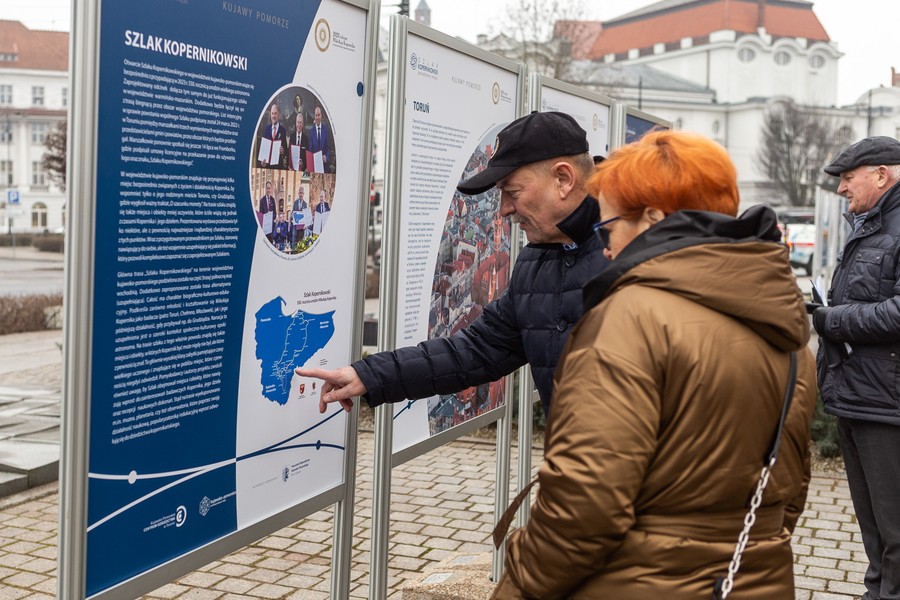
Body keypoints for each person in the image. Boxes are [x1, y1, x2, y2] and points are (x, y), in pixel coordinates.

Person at [492, 130, 817, 599]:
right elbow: (791, 489)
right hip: (755, 578)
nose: (604, 248)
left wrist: (518, 587)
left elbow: (585, 508)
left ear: (653, 218)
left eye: (609, 228)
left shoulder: (629, 319)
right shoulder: (784, 328)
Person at [296, 111, 608, 417]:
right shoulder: (535, 264)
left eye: (512, 192)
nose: (503, 210)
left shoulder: (638, 256)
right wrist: (370, 374)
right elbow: (475, 351)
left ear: (564, 179)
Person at [811, 136, 900, 600]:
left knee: (894, 525)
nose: (842, 188)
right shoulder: (872, 224)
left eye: (848, 177)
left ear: (881, 174)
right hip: (861, 395)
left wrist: (831, 319)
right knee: (872, 524)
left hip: (888, 402)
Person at [259, 102, 287, 168]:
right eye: (272, 113)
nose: (273, 116)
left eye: (275, 113)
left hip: (278, 167)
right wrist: (262, 162)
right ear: (270, 115)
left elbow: (285, 149)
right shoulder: (266, 129)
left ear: (278, 115)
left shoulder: (283, 130)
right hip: (267, 167)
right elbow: (263, 148)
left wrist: (283, 151)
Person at [308, 106, 332, 172]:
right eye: (316, 115)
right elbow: (310, 149)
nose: (317, 117)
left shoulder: (326, 130)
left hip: (324, 167)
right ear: (314, 117)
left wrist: (326, 157)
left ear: (321, 116)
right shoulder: (311, 131)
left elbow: (328, 148)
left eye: (319, 115)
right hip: (314, 167)